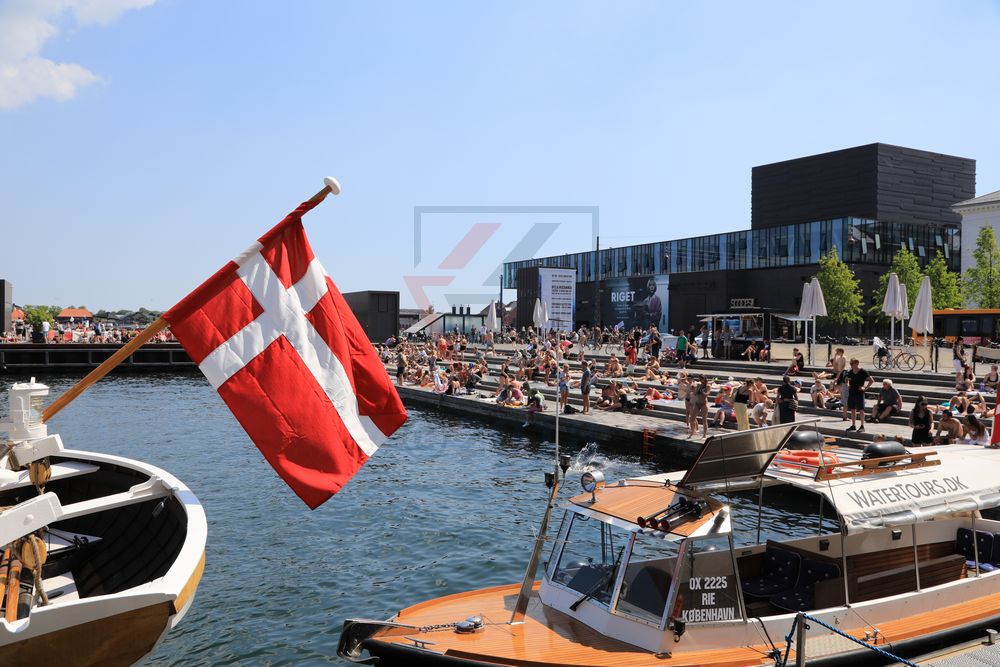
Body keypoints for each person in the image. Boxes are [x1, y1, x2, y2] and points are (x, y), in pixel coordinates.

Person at [845, 358, 873, 433]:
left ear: (857, 363)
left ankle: (862, 425)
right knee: (852, 409)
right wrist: (848, 385)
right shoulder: (850, 371)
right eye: (850, 364)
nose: (851, 365)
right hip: (851, 392)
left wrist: (865, 388)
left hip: (859, 392)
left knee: (861, 409)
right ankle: (853, 425)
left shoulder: (863, 371)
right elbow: (846, 379)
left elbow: (871, 380)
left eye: (852, 363)